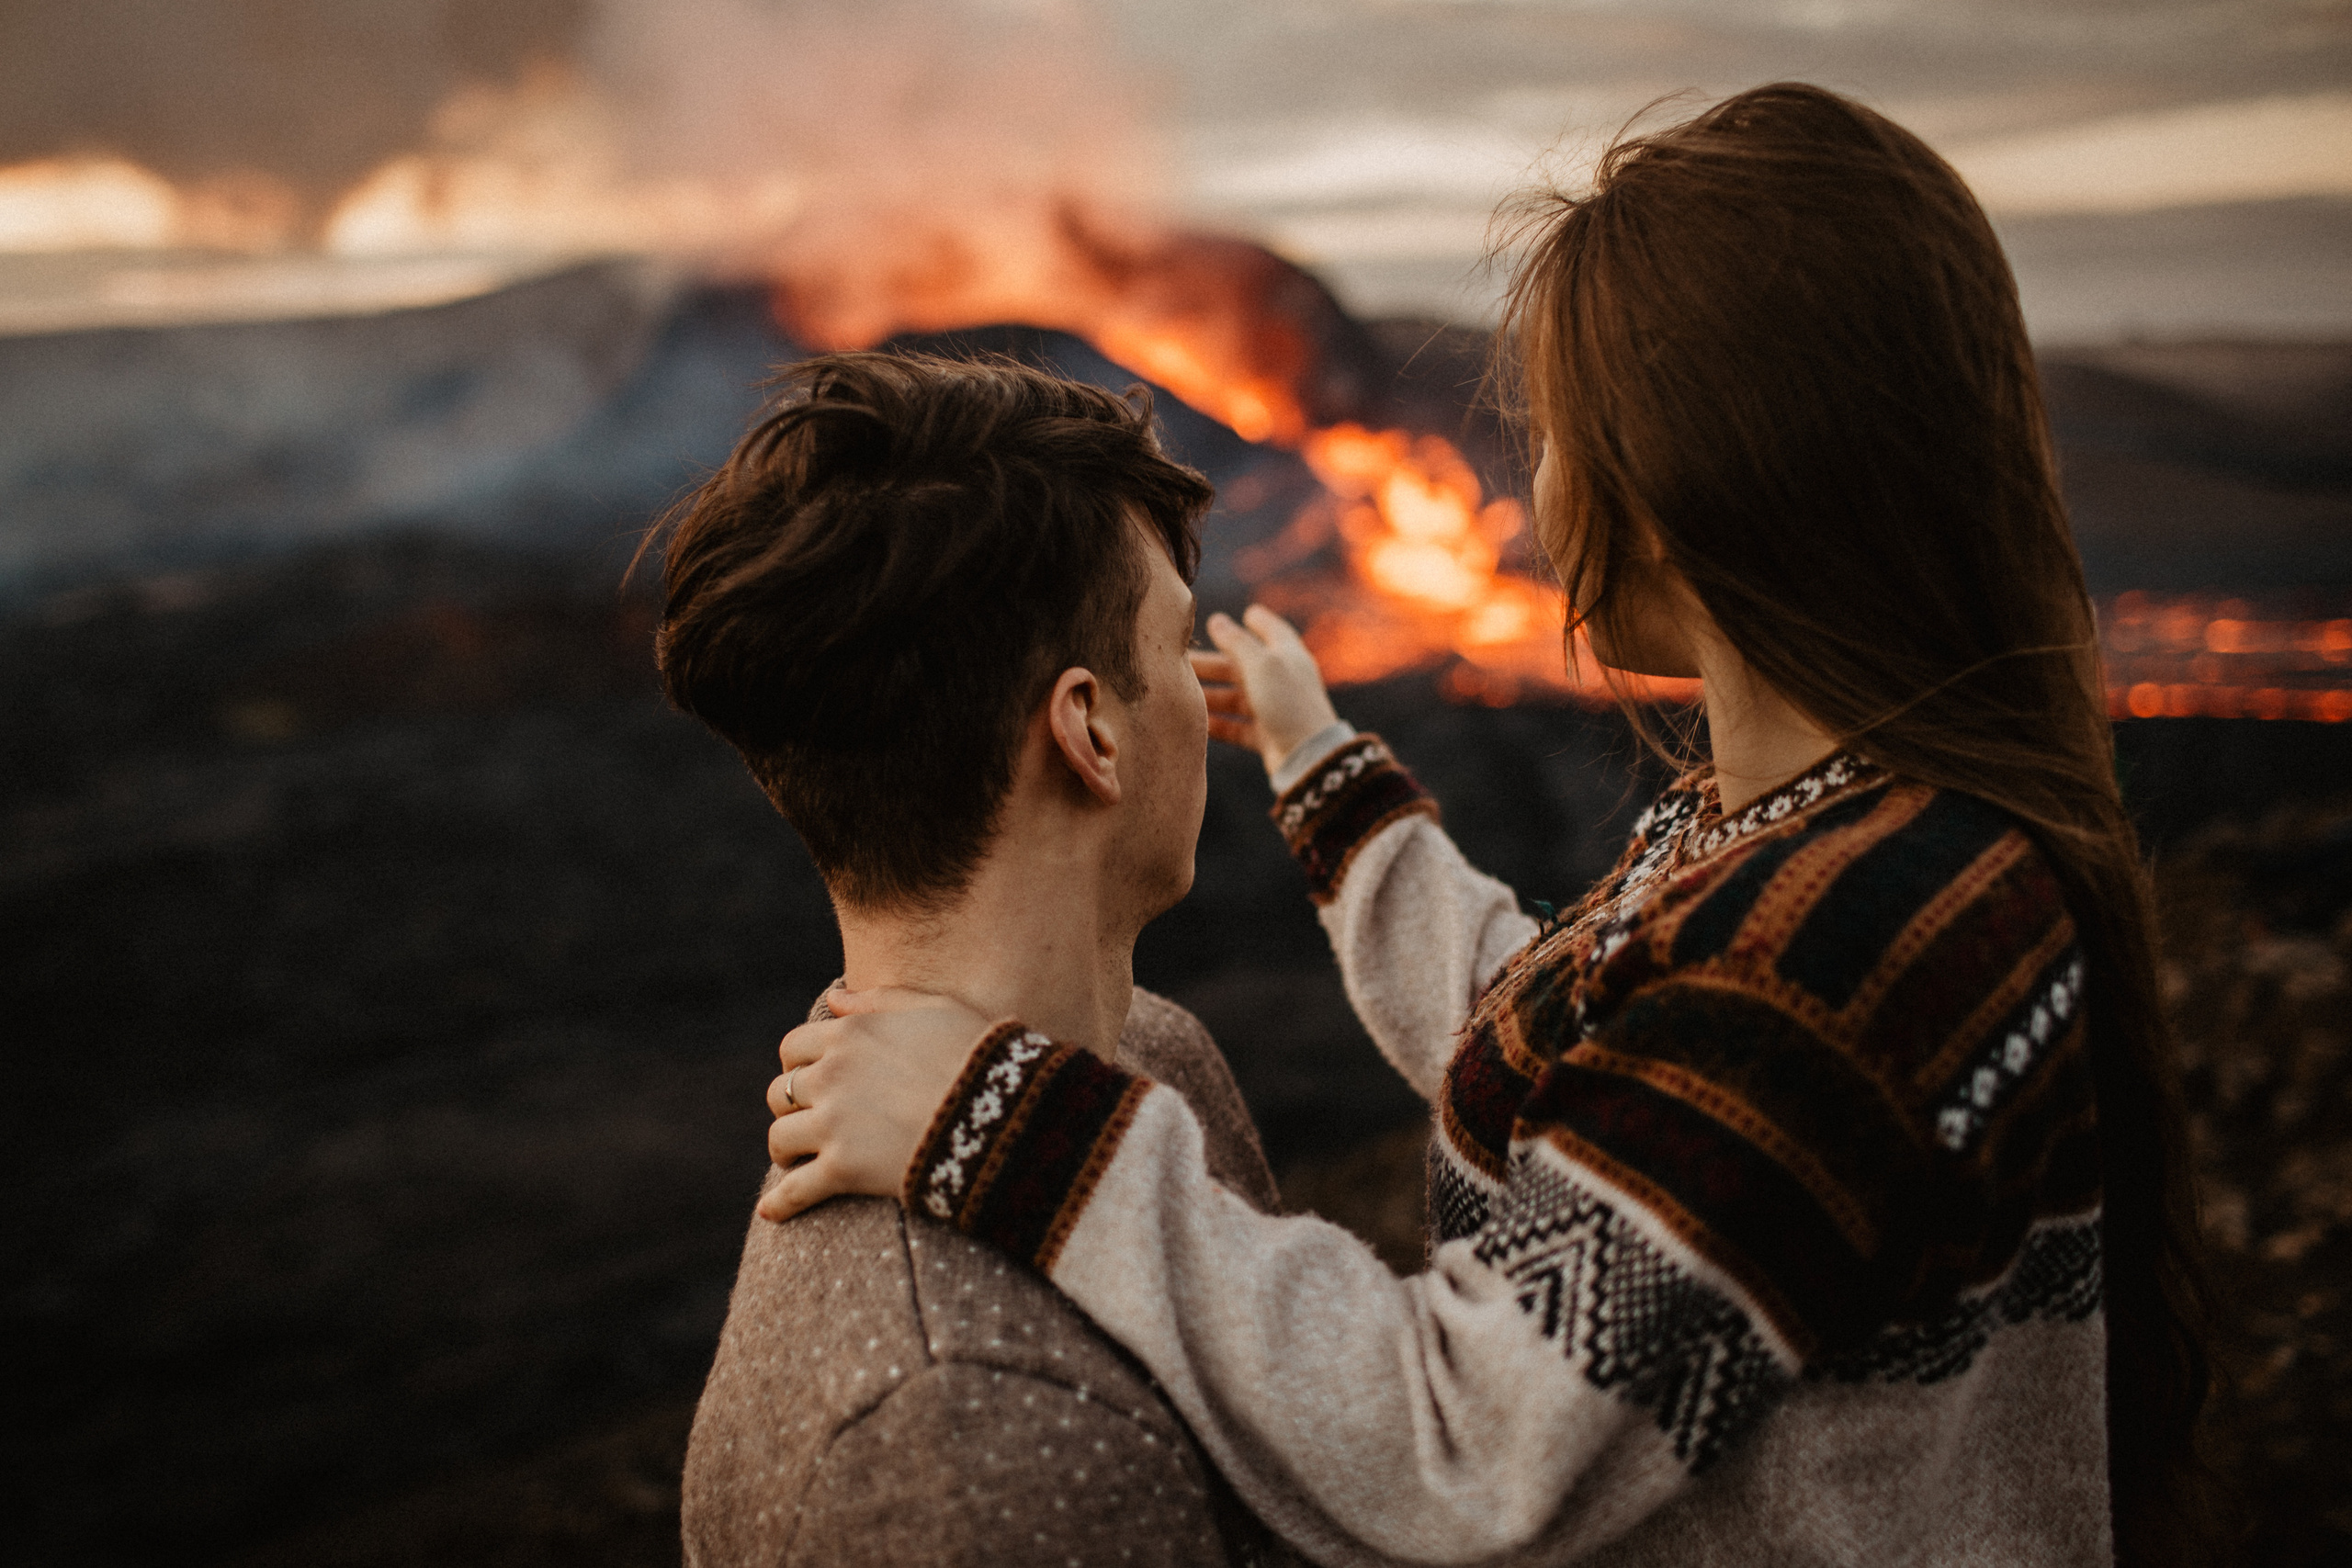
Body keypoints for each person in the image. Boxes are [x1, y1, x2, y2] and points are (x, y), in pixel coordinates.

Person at [759, 85, 2215, 1568]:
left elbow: (1470, 1442)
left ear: (1688, 478)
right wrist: (1327, 768)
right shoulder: (1817, 845)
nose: (1535, 481)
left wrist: (1005, 1128)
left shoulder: (1859, 928)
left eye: (1556, 427)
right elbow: (1558, 1041)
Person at [650, 350, 1305, 1567]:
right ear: (1091, 729)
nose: (1201, 700)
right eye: (1172, 646)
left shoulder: (1150, 1058)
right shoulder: (979, 1445)